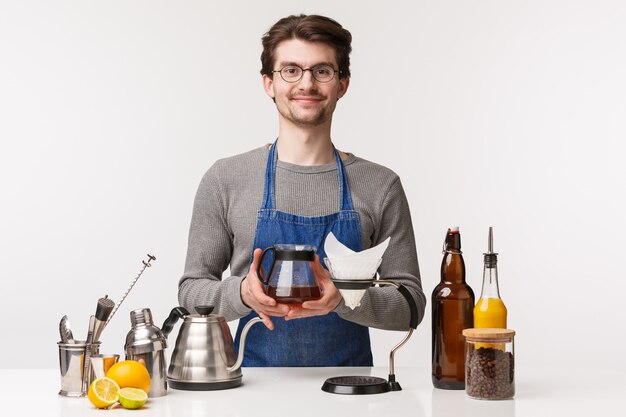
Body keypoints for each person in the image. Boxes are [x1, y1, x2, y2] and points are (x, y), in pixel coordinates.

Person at [178, 14, 426, 367]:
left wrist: (343, 298)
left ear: (342, 84)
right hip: (251, 394)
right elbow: (191, 292)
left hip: (350, 395)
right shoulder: (225, 179)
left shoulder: (380, 185)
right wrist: (243, 293)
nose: (306, 83)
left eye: (322, 71)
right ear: (268, 83)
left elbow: (411, 305)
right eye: (291, 70)